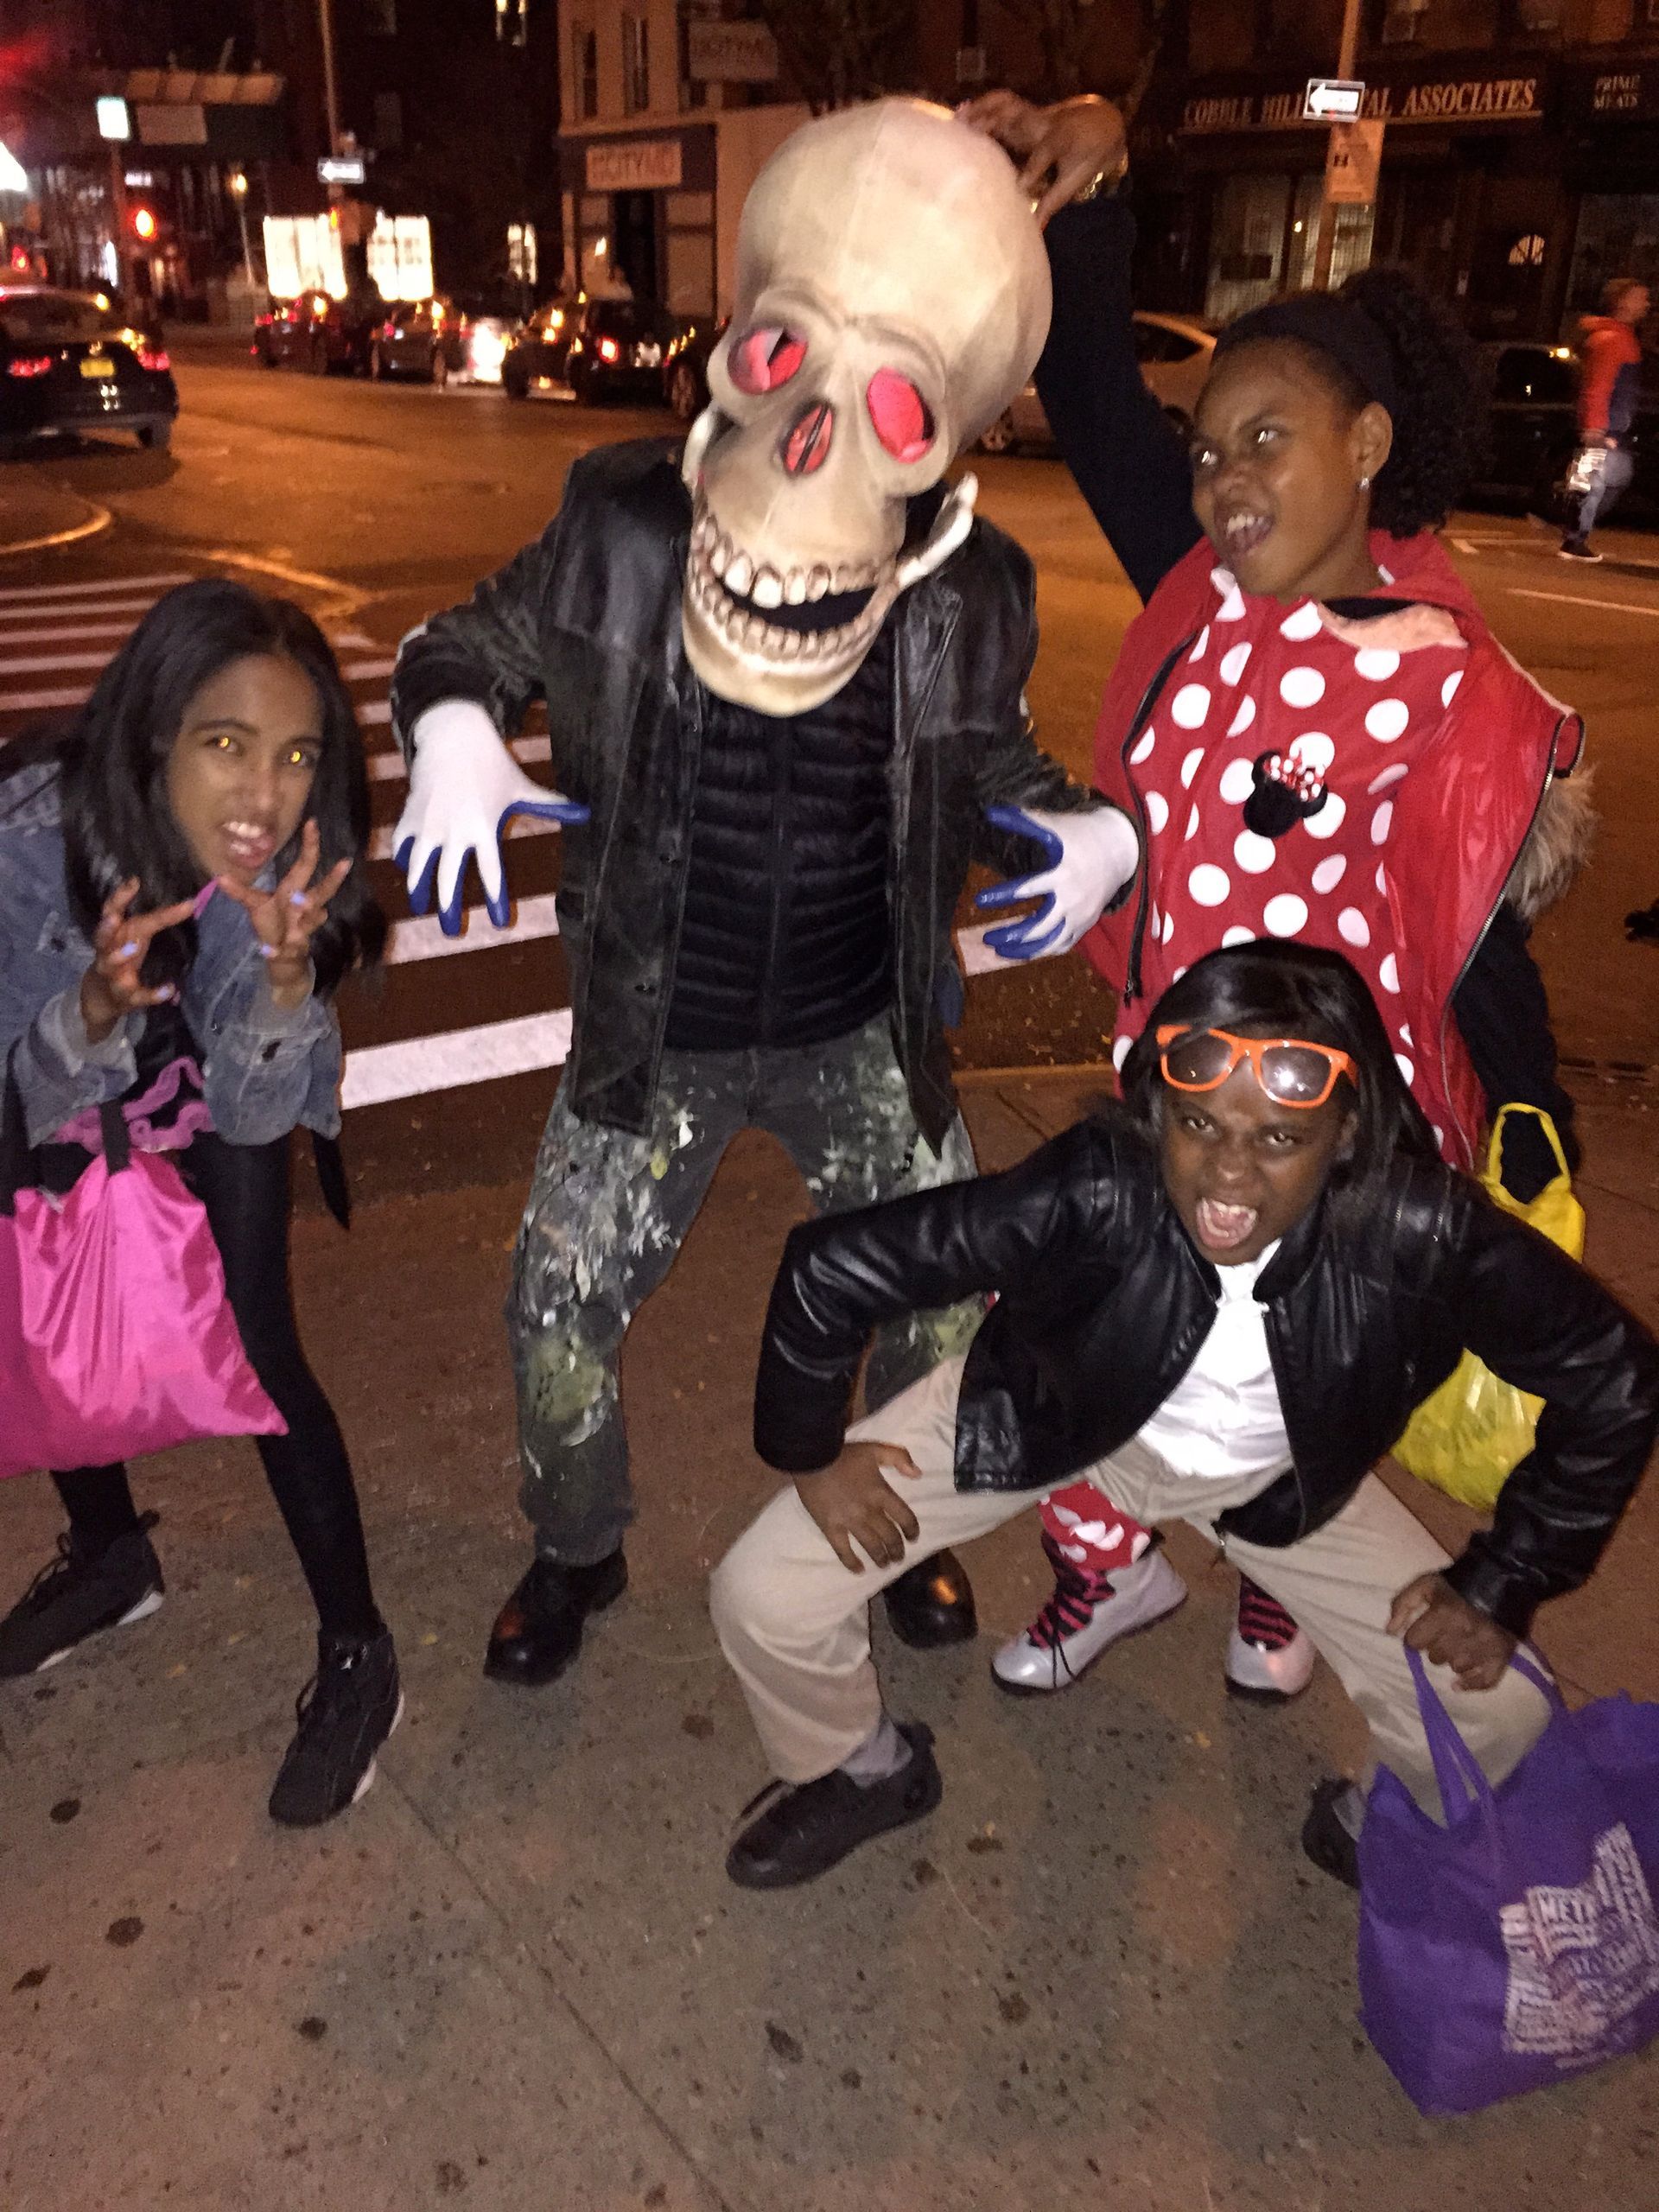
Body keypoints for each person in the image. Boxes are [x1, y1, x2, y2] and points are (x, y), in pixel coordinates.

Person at [387, 100, 1136, 1693]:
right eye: (788, 368)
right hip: (659, 1027)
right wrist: (450, 724)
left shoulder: (969, 594)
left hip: (857, 1026)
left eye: (888, 414)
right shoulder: (618, 528)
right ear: (738, 350)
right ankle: (578, 1549)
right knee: (553, 1314)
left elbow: (990, 755)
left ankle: (899, 1528)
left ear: (948, 465)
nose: (815, 461)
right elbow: (468, 642)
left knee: (947, 1294)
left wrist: (1094, 831)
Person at [960, 92, 1593, 1704]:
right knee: (1142, 1312)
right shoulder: (1207, 572)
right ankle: (1132, 1572)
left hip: (1331, 1105)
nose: (1224, 479)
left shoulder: (1422, 650)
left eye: (1269, 439)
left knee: (1273, 1348)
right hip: (1176, 1057)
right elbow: (1096, 385)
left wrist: (1523, 1124)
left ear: (1367, 448)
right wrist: (1089, 172)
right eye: (1214, 445)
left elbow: (1468, 920)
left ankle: (1269, 1576)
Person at [710, 943, 1659, 1891]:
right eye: (1198, 1125)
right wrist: (810, 1451)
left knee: (1496, 1711)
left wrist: (1505, 1574)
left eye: (1281, 1139)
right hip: (1062, 1407)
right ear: (1158, 1111)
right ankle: (858, 1768)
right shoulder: (1097, 1181)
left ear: (1347, 1129)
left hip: (1272, 1472)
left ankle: (1386, 1817)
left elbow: (1615, 1377)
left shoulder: (1421, 1230)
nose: (1229, 1179)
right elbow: (834, 1268)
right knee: (767, 1589)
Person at [0, 580, 399, 1827]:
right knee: (59, 1308)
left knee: (255, 1341)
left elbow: (255, 1096)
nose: (262, 798)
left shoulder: (282, 863)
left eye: (295, 756)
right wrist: (94, 1019)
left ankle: (359, 1654)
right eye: (227, 745)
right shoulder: (27, 837)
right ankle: (113, 1556)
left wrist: (286, 990)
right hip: (70, 1049)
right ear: (156, 731)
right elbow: (14, 1075)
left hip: (213, 1066)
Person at [1559, 276, 1649, 563]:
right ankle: (1574, 539)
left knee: (1609, 478)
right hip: (1603, 426)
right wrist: (1595, 427)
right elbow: (1599, 385)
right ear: (1621, 302)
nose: (1646, 303)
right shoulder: (1612, 340)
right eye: (1640, 297)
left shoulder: (1620, 337)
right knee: (1594, 483)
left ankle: (1570, 518)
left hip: (1610, 426)